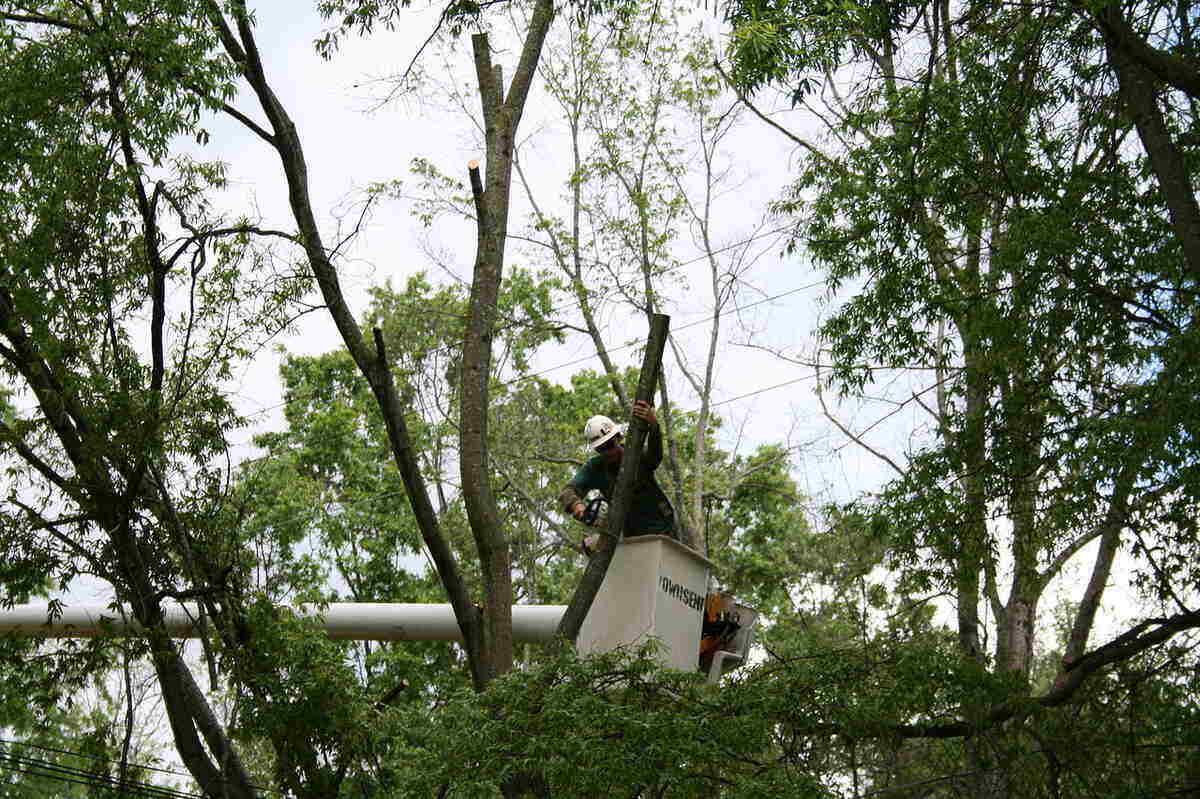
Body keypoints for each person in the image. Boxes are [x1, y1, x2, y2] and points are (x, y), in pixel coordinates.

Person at [559, 400, 676, 554]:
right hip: (631, 533)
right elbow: (567, 492)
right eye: (602, 449)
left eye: (609, 445)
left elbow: (655, 456)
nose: (608, 452)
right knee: (592, 545)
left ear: (619, 437)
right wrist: (579, 508)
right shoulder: (596, 467)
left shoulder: (634, 453)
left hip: (662, 526)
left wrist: (653, 425)